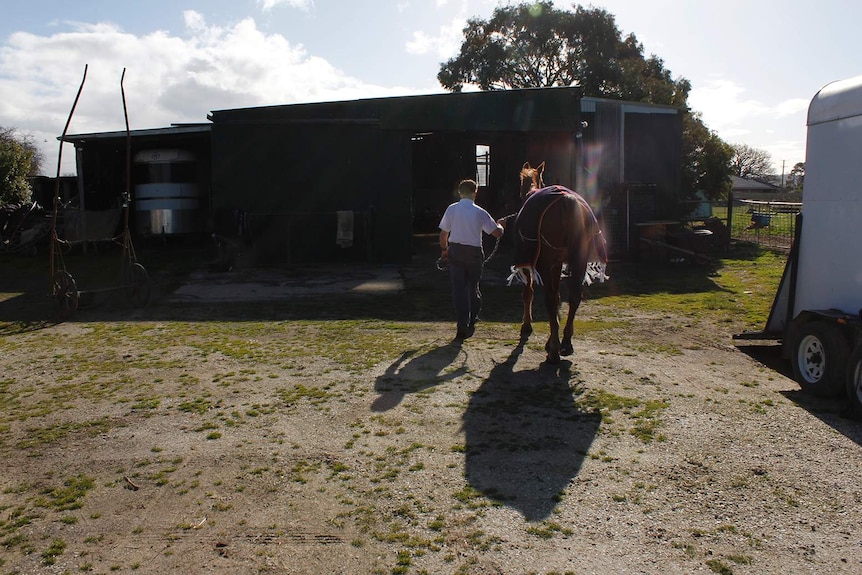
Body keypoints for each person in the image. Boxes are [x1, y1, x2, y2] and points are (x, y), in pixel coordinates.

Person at [438, 179, 504, 340]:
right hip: (474, 253)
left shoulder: (452, 209)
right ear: (476, 192)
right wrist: (501, 225)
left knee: (459, 289)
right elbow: (496, 233)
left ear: (460, 192)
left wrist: (444, 249)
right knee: (472, 287)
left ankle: (462, 324)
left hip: (455, 251)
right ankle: (473, 317)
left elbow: (443, 234)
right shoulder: (480, 212)